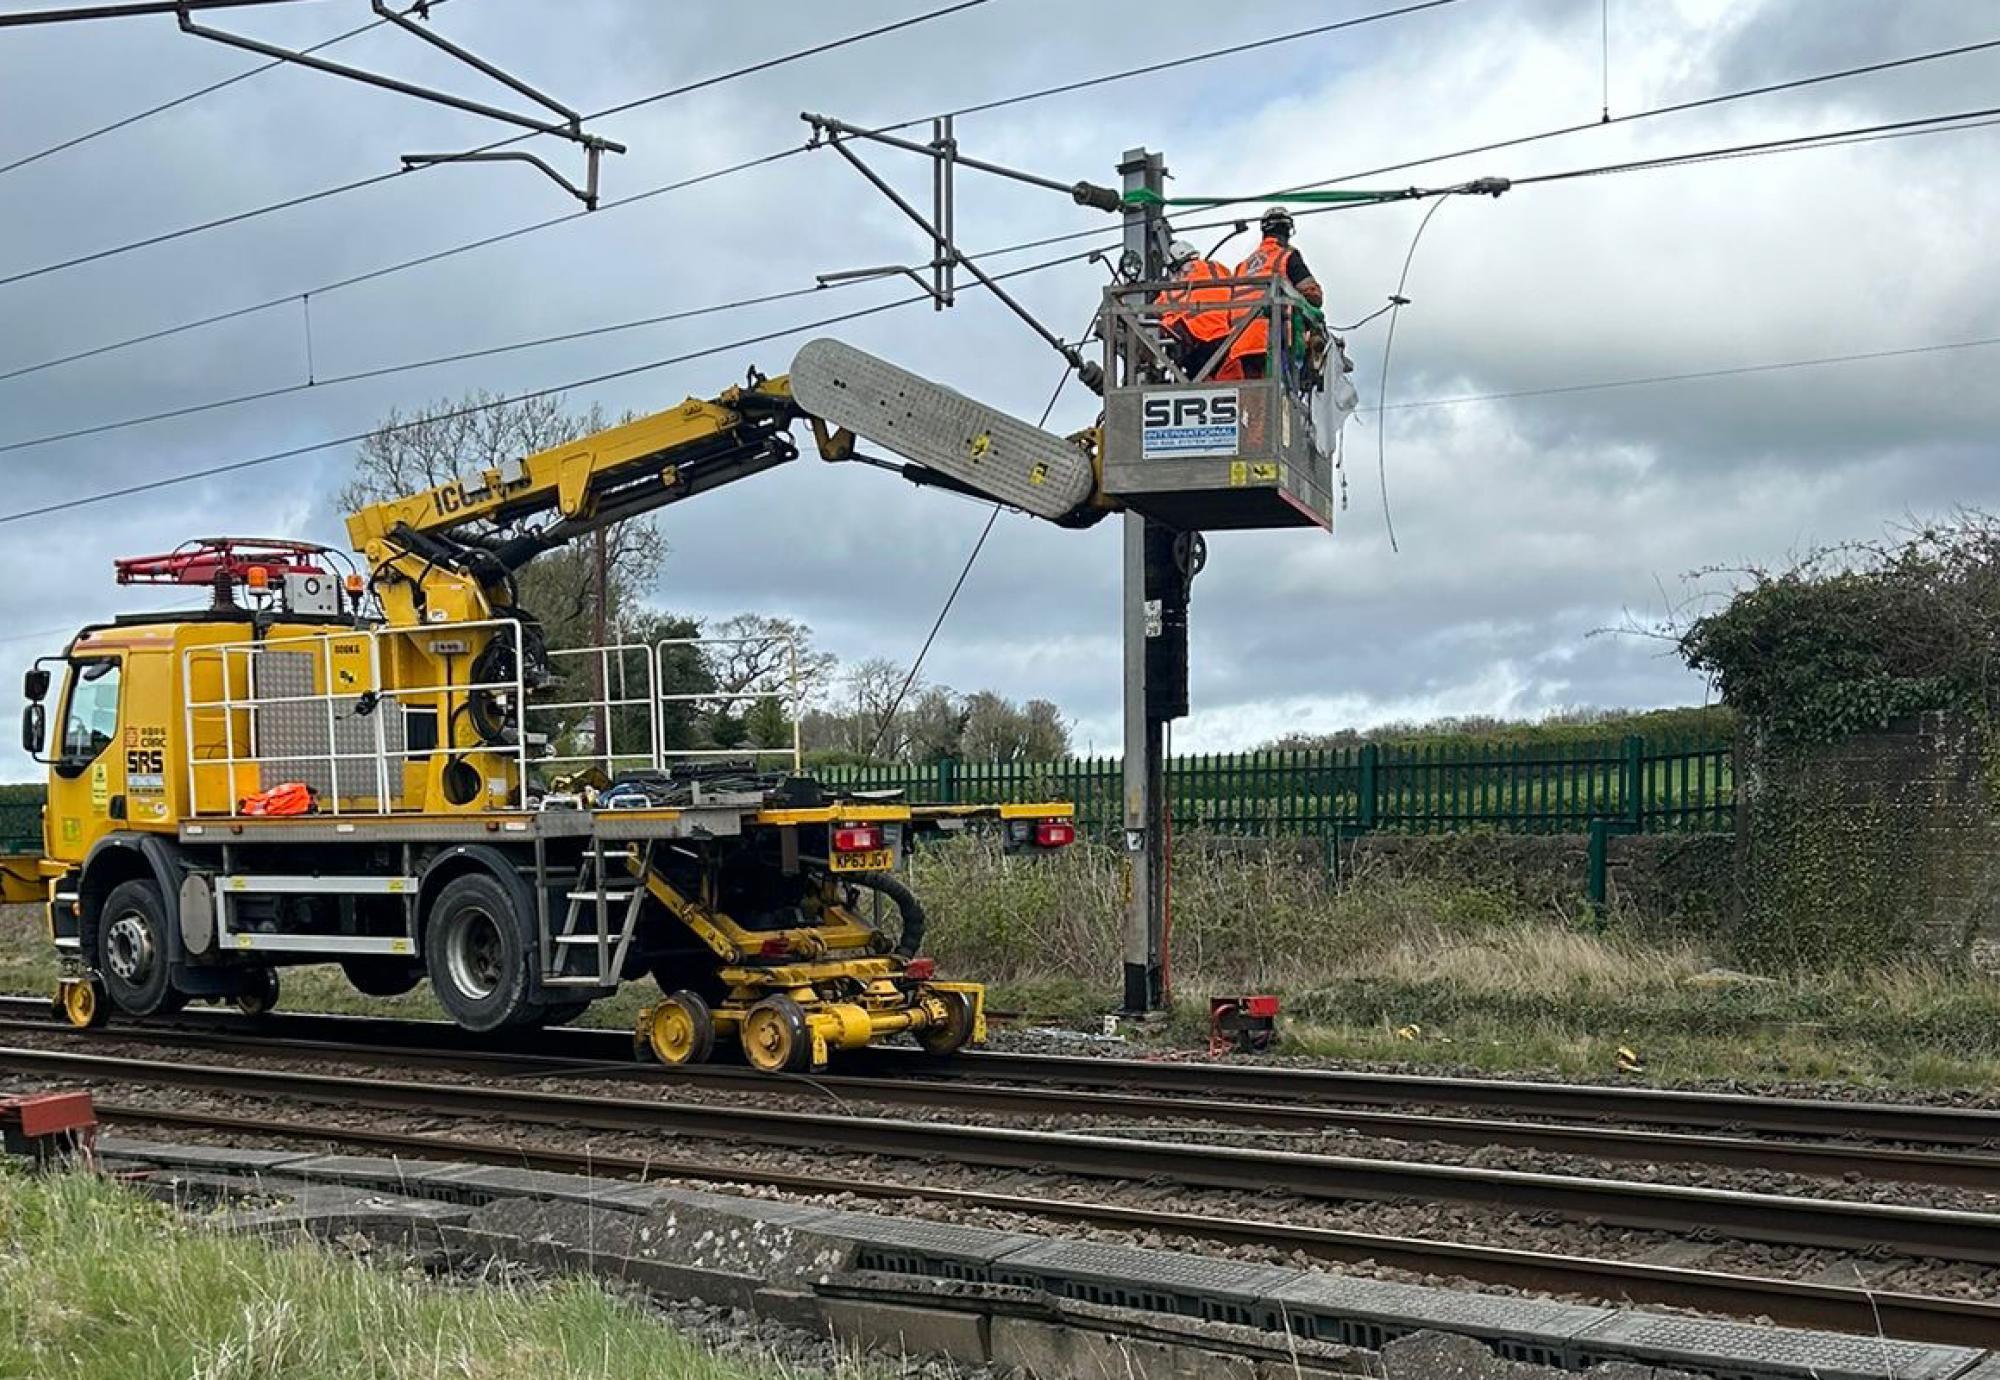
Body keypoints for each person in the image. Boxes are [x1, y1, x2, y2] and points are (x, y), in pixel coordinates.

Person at [1219, 207, 1323, 382]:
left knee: (1254, 401)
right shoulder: (1286, 255)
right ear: (1288, 231)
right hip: (1274, 340)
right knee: (1278, 397)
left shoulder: (1242, 266)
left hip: (1240, 345)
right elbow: (1314, 296)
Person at [1157, 239, 1235, 378]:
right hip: (1227, 338)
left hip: (1197, 343)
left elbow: (1155, 312)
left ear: (1175, 266)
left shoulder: (1173, 290)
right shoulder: (1217, 269)